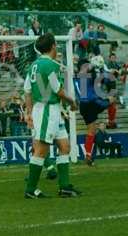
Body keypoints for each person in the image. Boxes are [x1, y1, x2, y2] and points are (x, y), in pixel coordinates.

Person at [24, 33, 81, 198]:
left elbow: (27, 91)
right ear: (53, 46)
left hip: (49, 109)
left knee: (64, 147)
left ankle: (64, 187)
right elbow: (58, 90)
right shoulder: (51, 66)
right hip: (48, 110)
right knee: (41, 150)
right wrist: (72, 102)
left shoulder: (33, 65)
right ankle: (30, 189)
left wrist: (29, 112)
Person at [74, 58, 113, 166]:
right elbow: (103, 79)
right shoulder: (85, 75)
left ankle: (88, 156)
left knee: (91, 131)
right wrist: (96, 66)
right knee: (111, 100)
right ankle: (111, 121)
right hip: (91, 103)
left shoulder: (75, 77)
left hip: (83, 106)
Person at [105, 53, 122, 129]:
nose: (113, 59)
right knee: (111, 104)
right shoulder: (108, 64)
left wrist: (119, 70)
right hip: (110, 84)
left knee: (113, 105)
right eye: (112, 57)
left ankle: (112, 121)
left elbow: (120, 69)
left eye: (114, 57)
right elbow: (110, 71)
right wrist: (116, 71)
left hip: (113, 84)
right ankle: (110, 121)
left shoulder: (115, 64)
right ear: (109, 58)